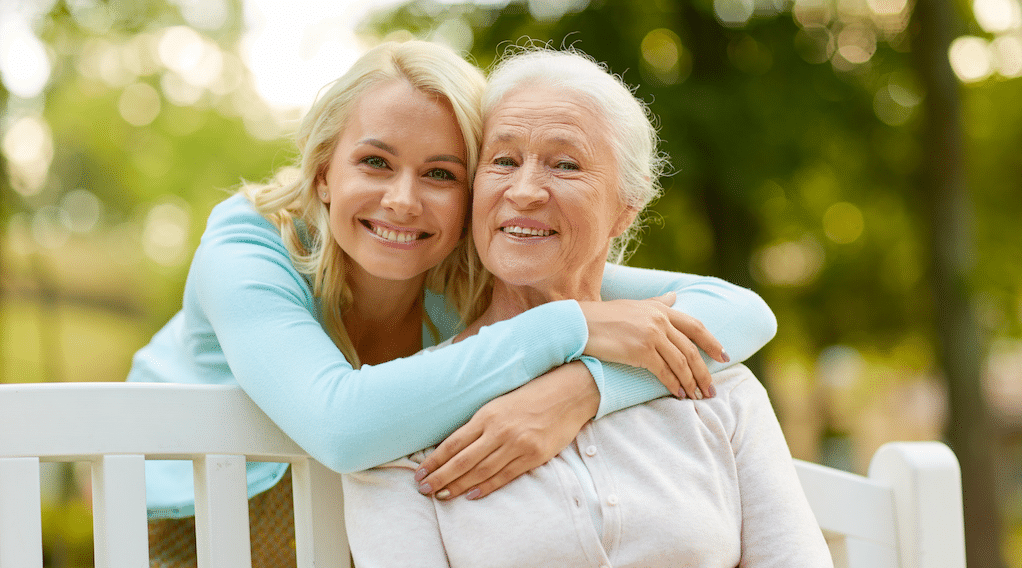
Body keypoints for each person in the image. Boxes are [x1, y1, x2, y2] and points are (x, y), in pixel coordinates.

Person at [130, 41, 776, 566]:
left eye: (441, 174)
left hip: (360, 525)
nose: (404, 201)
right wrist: (572, 326)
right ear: (324, 172)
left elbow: (738, 310)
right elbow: (344, 426)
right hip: (199, 521)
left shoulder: (460, 260)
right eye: (376, 163)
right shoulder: (248, 243)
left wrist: (583, 387)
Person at [342, 46, 832, 567]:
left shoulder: (716, 384)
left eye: (565, 164)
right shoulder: (406, 417)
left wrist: (587, 386)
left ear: (627, 206)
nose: (525, 191)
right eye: (503, 161)